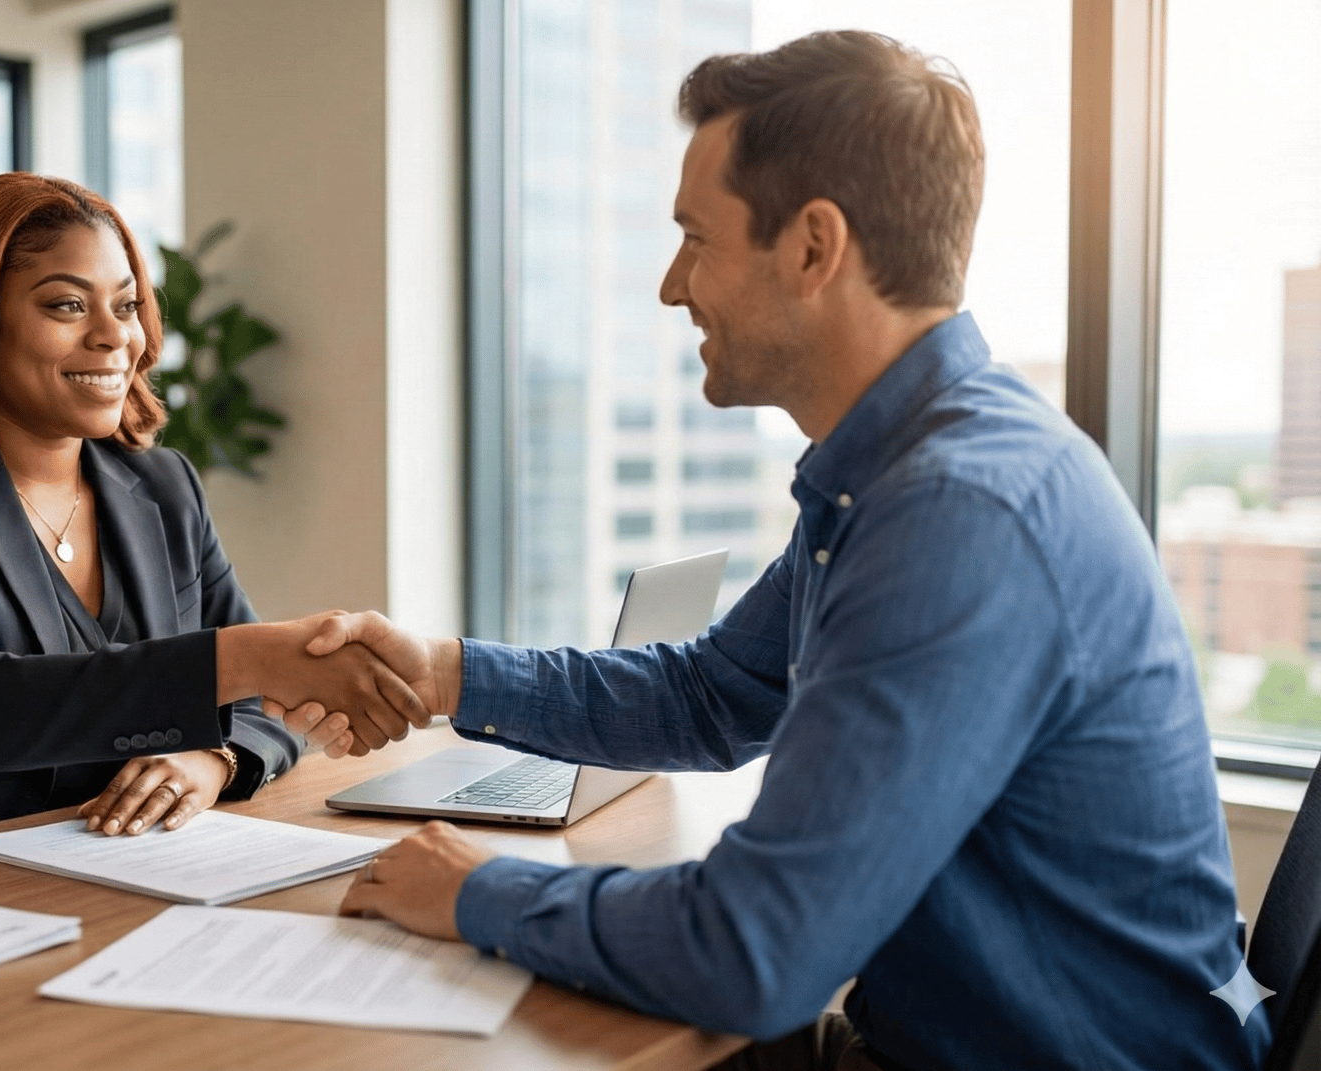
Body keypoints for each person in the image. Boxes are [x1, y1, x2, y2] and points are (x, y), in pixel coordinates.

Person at [272, 31, 1268, 1071]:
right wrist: (442, 675)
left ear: (811, 247)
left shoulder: (959, 516)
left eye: (695, 237)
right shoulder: (902, 466)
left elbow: (755, 948)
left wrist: (477, 889)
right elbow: (715, 695)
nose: (670, 286)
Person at [0, 173, 421, 865]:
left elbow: (258, 705)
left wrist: (215, 759)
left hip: (110, 866)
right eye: (68, 305)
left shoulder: (162, 485)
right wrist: (245, 656)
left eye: (129, 304)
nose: (116, 337)